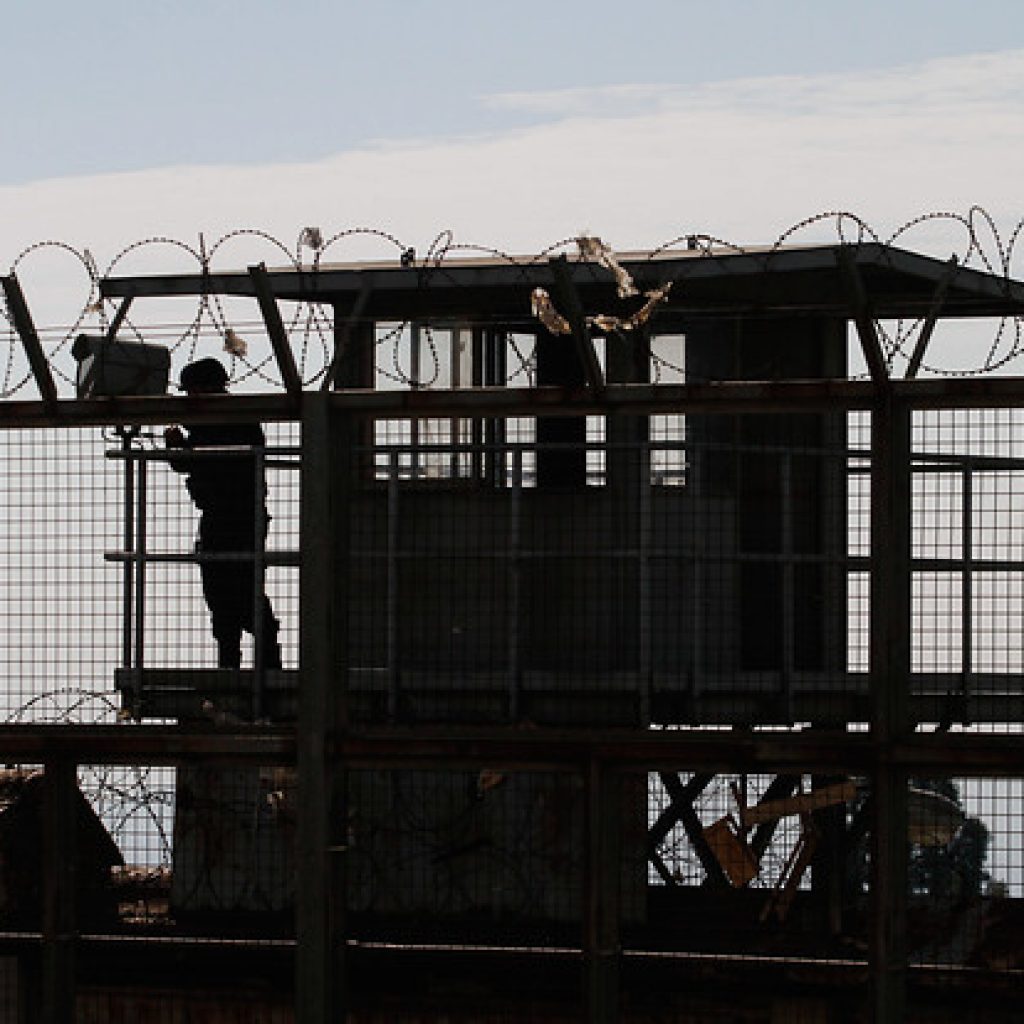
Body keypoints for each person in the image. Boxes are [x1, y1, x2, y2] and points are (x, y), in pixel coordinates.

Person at [164, 358, 282, 670]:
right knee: (231, 590)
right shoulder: (235, 417)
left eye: (192, 392)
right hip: (234, 517)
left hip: (231, 518)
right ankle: (255, 660)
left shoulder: (227, 418)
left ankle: (241, 661)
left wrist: (178, 446)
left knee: (231, 590)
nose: (189, 399)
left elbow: (198, 460)